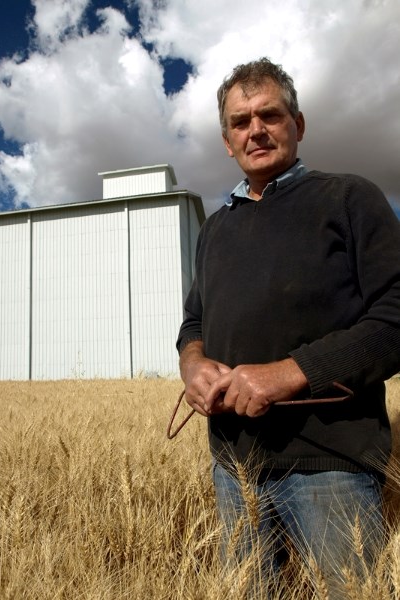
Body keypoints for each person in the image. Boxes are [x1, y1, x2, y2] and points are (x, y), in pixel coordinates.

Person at [176, 57, 400, 596]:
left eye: (269, 115)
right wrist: (193, 362)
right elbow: (193, 321)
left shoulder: (348, 198)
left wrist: (291, 373)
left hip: (332, 467)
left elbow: (395, 316)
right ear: (227, 142)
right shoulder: (215, 230)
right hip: (235, 467)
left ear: (297, 125)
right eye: (240, 121)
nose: (255, 129)